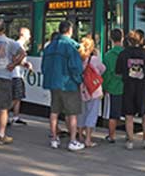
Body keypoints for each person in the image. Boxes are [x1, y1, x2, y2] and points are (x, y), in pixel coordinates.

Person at [42, 21, 85, 151]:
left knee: (54, 111)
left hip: (53, 84)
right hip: (68, 84)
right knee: (72, 113)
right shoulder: (71, 47)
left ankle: (54, 139)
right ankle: (73, 141)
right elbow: (75, 67)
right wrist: (79, 80)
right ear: (70, 31)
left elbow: (44, 67)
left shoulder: (49, 46)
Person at [117, 30, 145, 150]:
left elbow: (118, 70)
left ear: (128, 41)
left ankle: (130, 141)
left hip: (128, 87)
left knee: (129, 115)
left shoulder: (123, 54)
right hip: (142, 87)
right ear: (141, 40)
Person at [78, 37, 105, 148]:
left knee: (81, 113)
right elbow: (103, 69)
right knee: (92, 114)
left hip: (82, 89)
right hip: (93, 90)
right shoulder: (94, 59)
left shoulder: (78, 59)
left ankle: (80, 136)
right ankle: (88, 139)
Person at [102, 29, 125, 143]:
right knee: (128, 114)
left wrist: (104, 87)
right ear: (122, 38)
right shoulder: (126, 53)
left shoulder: (108, 55)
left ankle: (111, 136)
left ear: (111, 39)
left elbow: (106, 74)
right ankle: (129, 137)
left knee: (113, 114)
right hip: (126, 87)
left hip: (113, 87)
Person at [11, 27, 32, 125]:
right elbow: (14, 59)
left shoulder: (18, 45)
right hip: (16, 75)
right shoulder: (18, 45)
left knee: (18, 97)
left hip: (18, 74)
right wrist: (25, 64)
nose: (30, 37)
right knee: (15, 97)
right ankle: (6, 114)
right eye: (28, 34)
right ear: (23, 34)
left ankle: (15, 117)